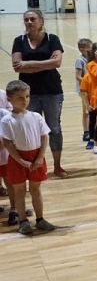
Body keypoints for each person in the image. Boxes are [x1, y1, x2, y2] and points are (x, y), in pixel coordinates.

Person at [10, 10, 66, 179]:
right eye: (26, 19)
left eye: (33, 19)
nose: (29, 22)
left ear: (41, 21)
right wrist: (46, 64)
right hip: (28, 94)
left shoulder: (52, 39)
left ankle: (57, 166)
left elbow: (57, 62)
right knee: (30, 129)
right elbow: (17, 67)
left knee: (54, 129)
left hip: (52, 91)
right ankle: (33, 166)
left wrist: (29, 64)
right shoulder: (19, 41)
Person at [0, 80, 55, 235]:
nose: (25, 100)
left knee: (35, 190)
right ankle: (23, 221)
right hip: (17, 159)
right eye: (20, 98)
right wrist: (20, 160)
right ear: (9, 99)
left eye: (27, 96)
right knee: (20, 191)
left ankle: (40, 219)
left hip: (36, 157)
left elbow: (44, 137)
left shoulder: (36, 116)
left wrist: (40, 157)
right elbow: (7, 143)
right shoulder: (7, 120)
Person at [75, 38, 92, 144]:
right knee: (87, 111)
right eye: (88, 49)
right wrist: (88, 83)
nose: (90, 51)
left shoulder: (90, 59)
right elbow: (78, 76)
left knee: (90, 111)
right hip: (83, 90)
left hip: (90, 89)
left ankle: (90, 130)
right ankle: (86, 132)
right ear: (81, 49)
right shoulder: (80, 60)